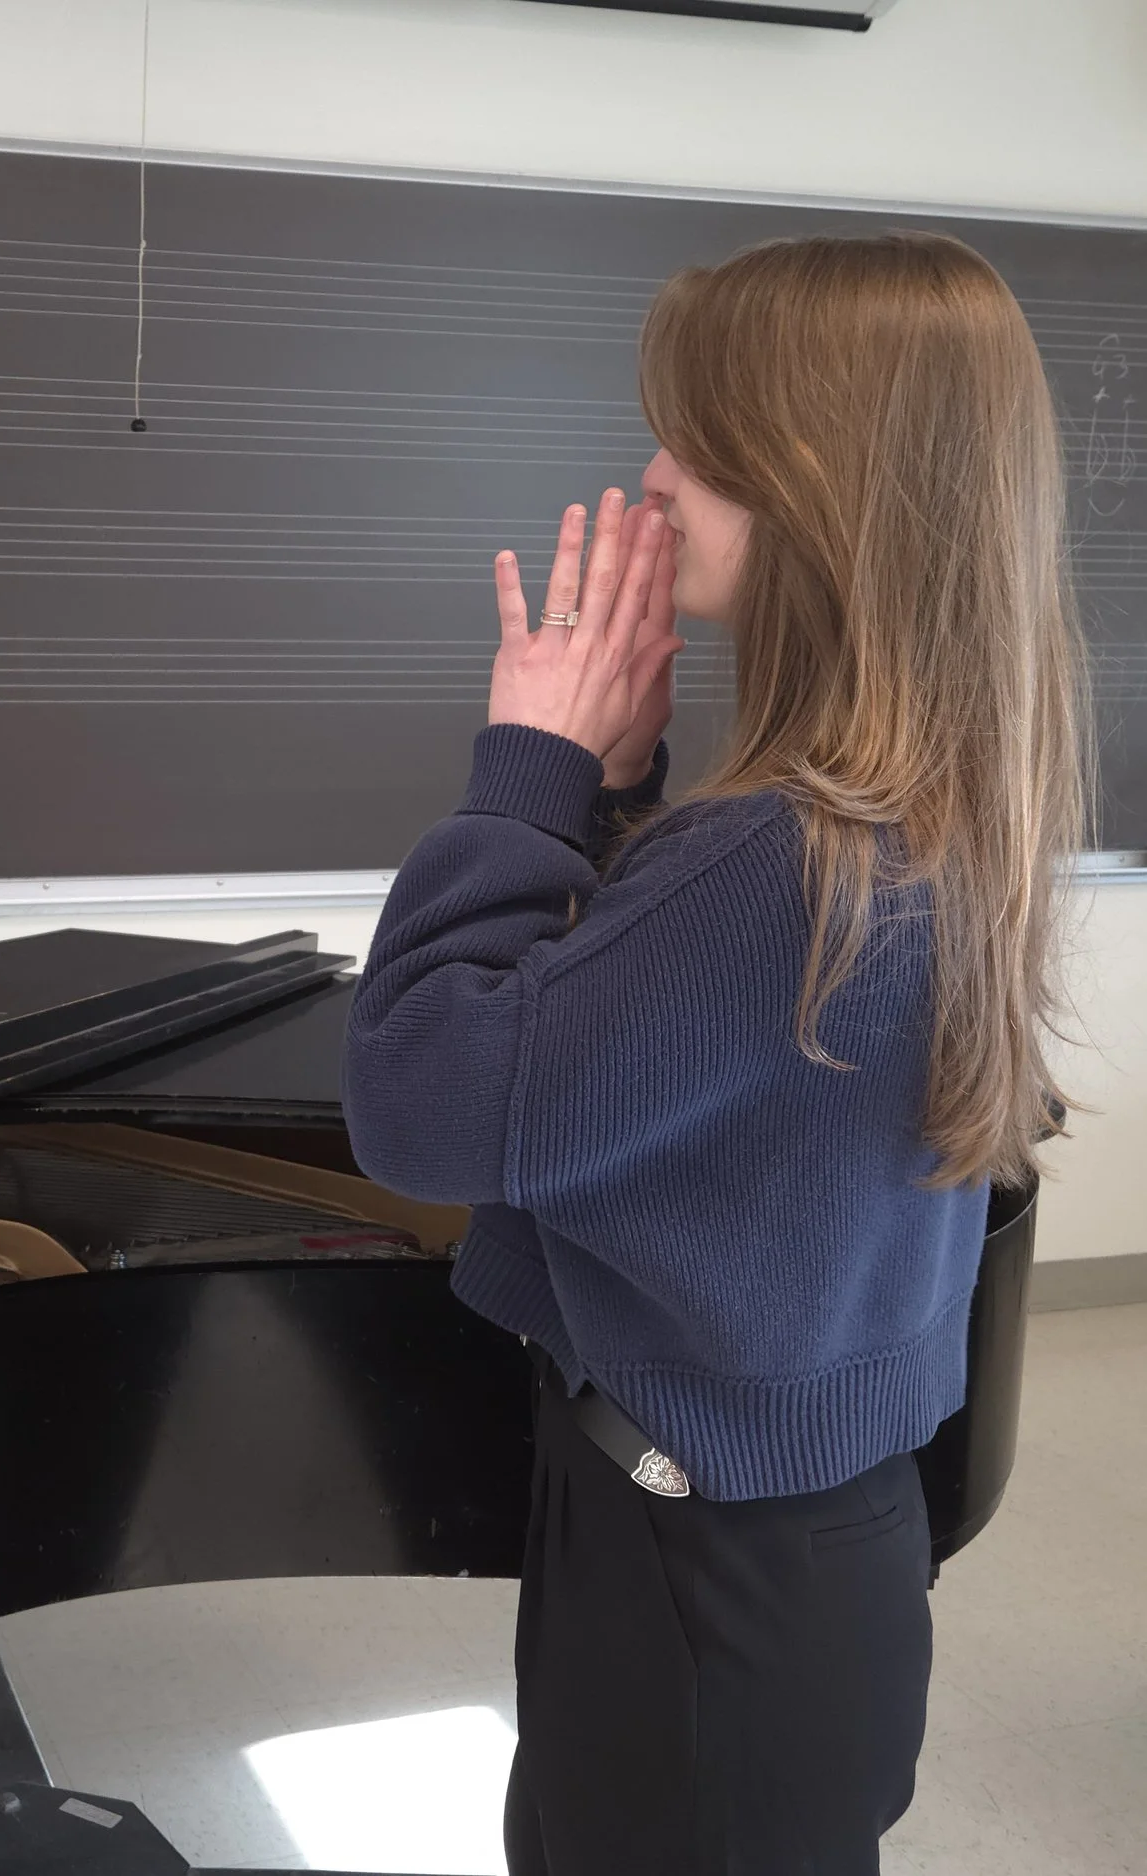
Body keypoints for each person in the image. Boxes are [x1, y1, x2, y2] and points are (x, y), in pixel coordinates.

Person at [340, 231, 1087, 1874]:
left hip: (703, 1589)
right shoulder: (926, 809)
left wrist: (529, 769)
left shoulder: (777, 861)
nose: (657, 479)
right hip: (804, 1554)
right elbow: (680, 1048)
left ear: (823, 483)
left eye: (700, 441)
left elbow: (422, 1102)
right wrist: (616, 794)